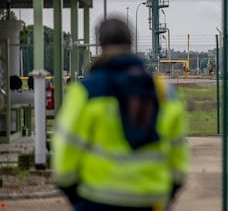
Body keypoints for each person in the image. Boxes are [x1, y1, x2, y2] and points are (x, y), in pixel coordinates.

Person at [52, 16, 188, 211]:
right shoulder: (165, 92)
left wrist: (75, 196)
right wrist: (167, 193)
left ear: (100, 44)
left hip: (97, 199)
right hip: (151, 200)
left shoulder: (86, 91)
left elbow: (66, 148)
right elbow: (178, 154)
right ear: (131, 43)